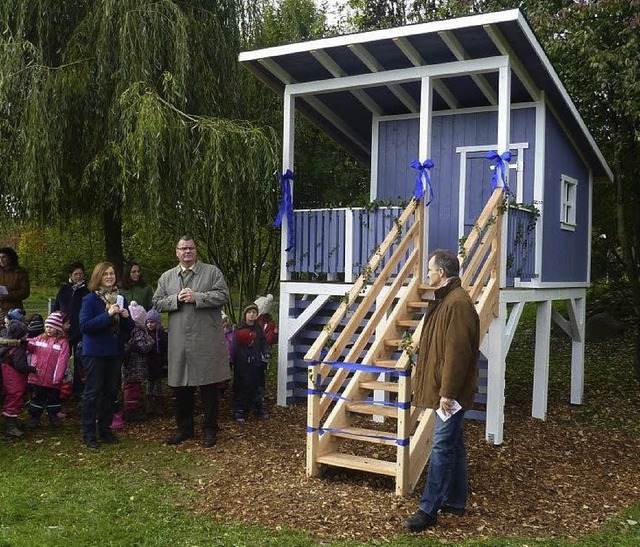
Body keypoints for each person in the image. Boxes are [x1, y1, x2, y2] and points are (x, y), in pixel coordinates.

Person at [404, 249, 480, 532]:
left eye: (430, 270)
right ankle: (456, 501)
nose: (427, 274)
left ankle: (428, 509)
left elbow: (458, 353)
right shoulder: (447, 299)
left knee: (440, 447)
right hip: (445, 389)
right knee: (454, 444)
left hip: (450, 394)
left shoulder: (457, 304)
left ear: (442, 273)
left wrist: (447, 393)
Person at [152, 236, 230, 448]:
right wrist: (175, 299)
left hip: (206, 339)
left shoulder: (212, 272)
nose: (187, 252)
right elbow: (156, 303)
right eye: (183, 248)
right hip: (179, 341)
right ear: (176, 252)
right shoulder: (167, 277)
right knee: (181, 387)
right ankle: (184, 428)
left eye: (191, 248)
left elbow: (223, 295)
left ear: (196, 251)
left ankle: (210, 429)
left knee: (208, 387)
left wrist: (199, 297)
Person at [79, 262, 134, 449]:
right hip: (95, 352)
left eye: (111, 273)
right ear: (98, 278)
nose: (109, 277)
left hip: (115, 351)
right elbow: (85, 326)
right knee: (93, 392)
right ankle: (88, 433)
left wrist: (127, 318)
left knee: (111, 392)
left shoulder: (120, 298)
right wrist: (108, 315)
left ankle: (105, 428)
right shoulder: (90, 300)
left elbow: (129, 329)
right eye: (105, 274)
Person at [26, 311, 70, 429]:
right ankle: (35, 417)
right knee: (37, 398)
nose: (49, 329)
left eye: (51, 327)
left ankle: (53, 417)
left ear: (58, 328)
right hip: (38, 376)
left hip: (52, 379)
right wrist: (24, 342)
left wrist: (58, 377)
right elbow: (30, 345)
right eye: (47, 326)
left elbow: (62, 361)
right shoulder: (40, 339)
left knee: (53, 399)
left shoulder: (62, 343)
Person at [53, 261, 89, 400]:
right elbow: (57, 307)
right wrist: (59, 325)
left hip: (80, 330)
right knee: (63, 359)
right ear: (70, 275)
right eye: (76, 274)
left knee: (79, 360)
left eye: (81, 274)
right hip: (64, 330)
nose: (79, 277)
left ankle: (78, 389)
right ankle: (61, 387)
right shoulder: (63, 290)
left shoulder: (86, 291)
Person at [232, 303, 269, 423]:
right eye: (249, 312)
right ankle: (239, 410)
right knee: (241, 386)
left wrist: (266, 353)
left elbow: (263, 342)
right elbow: (235, 347)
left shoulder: (258, 328)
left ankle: (258, 407)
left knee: (257, 385)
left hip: (256, 362)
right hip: (242, 364)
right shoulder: (239, 328)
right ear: (245, 314)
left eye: (254, 312)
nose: (252, 315)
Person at [0, 320, 35, 437]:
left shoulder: (6, 348)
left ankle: (12, 420)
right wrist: (33, 369)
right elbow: (21, 366)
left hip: (8, 378)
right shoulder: (18, 351)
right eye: (25, 334)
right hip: (15, 381)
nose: (27, 336)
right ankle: (11, 425)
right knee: (14, 398)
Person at [122, 302, 154, 421]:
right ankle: (131, 410)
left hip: (129, 365)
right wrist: (150, 340)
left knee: (130, 387)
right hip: (134, 366)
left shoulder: (127, 331)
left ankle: (131, 407)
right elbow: (143, 347)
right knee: (132, 388)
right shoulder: (138, 332)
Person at [144, 309, 168, 415]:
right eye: (148, 322)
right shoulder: (145, 334)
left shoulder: (161, 334)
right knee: (149, 385)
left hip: (158, 363)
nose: (150, 324)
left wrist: (165, 363)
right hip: (148, 363)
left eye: (152, 322)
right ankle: (149, 406)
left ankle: (159, 406)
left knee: (158, 385)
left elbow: (164, 348)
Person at [0, 247, 30, 323]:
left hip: (14, 309)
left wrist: (7, 295)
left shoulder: (20, 272)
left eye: (4, 257)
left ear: (10, 258)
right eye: (0, 257)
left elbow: (25, 292)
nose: (1, 260)